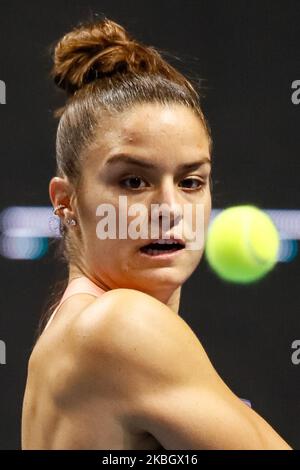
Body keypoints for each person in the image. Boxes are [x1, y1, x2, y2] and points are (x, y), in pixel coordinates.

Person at [21, 17, 291, 450]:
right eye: (133, 181)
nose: (169, 210)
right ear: (65, 201)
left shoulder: (72, 325)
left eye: (190, 182)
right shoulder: (122, 326)